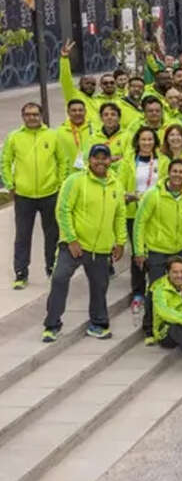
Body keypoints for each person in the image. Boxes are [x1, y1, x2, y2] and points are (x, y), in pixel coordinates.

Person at [42, 144, 126, 342]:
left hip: (101, 248)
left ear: (109, 160)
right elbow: (63, 210)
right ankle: (52, 324)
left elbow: (120, 214)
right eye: (95, 158)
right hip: (73, 245)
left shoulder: (116, 184)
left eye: (104, 158)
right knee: (60, 279)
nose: (100, 162)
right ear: (89, 160)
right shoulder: (75, 181)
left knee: (99, 286)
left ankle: (98, 323)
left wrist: (120, 241)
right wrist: (71, 239)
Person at [133, 158, 182, 344]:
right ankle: (149, 329)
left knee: (179, 291)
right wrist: (139, 251)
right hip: (157, 251)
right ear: (168, 173)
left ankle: (175, 327)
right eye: (175, 171)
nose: (178, 175)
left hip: (179, 251)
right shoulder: (153, 195)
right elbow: (140, 223)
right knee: (155, 290)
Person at [2, 102, 63, 289]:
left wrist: (59, 184)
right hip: (24, 195)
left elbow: (62, 162)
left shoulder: (52, 136)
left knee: (52, 234)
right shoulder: (14, 137)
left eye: (35, 114)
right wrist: (10, 184)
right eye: (28, 114)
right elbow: (4, 162)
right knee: (22, 235)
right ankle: (21, 273)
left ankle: (51, 268)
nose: (32, 117)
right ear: (23, 116)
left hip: (49, 193)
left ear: (41, 115)